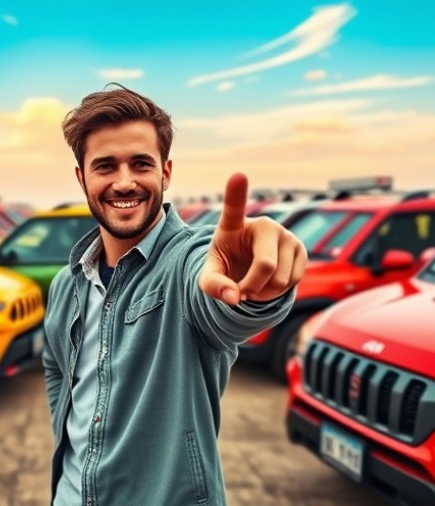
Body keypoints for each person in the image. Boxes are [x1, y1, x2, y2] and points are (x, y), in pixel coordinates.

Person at [42, 84, 307, 505]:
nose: (124, 182)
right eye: (106, 166)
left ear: (165, 172)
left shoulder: (187, 262)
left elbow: (219, 302)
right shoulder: (67, 284)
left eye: (141, 164)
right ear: (83, 178)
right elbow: (55, 365)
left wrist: (254, 286)